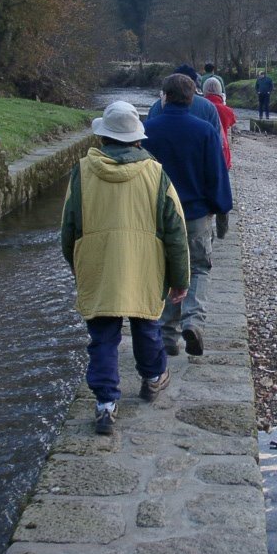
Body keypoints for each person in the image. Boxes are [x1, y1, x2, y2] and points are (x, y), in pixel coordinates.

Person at [61, 100, 190, 436]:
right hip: (144, 263)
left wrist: (77, 266)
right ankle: (152, 377)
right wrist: (180, 278)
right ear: (137, 139)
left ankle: (106, 403)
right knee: (146, 324)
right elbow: (175, 231)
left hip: (99, 262)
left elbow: (69, 227)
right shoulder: (156, 174)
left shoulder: (82, 172)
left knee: (102, 335)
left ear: (103, 136)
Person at [143, 74, 233, 358]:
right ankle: (193, 321)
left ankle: (167, 333)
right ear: (192, 97)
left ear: (165, 97)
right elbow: (216, 175)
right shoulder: (204, 131)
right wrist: (221, 209)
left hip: (157, 214)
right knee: (199, 267)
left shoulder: (147, 131)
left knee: (164, 269)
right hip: (195, 213)